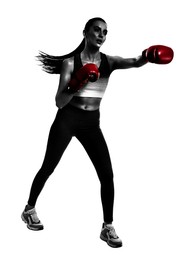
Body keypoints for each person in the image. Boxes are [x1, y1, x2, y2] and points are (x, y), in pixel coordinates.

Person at [21, 17, 173, 248]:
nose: (101, 35)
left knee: (107, 174)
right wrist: (77, 82)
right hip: (67, 119)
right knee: (48, 167)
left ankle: (107, 227)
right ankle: (29, 209)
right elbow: (59, 102)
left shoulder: (108, 62)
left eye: (105, 32)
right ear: (85, 32)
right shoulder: (70, 63)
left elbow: (133, 61)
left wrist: (147, 55)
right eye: (97, 30)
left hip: (91, 123)